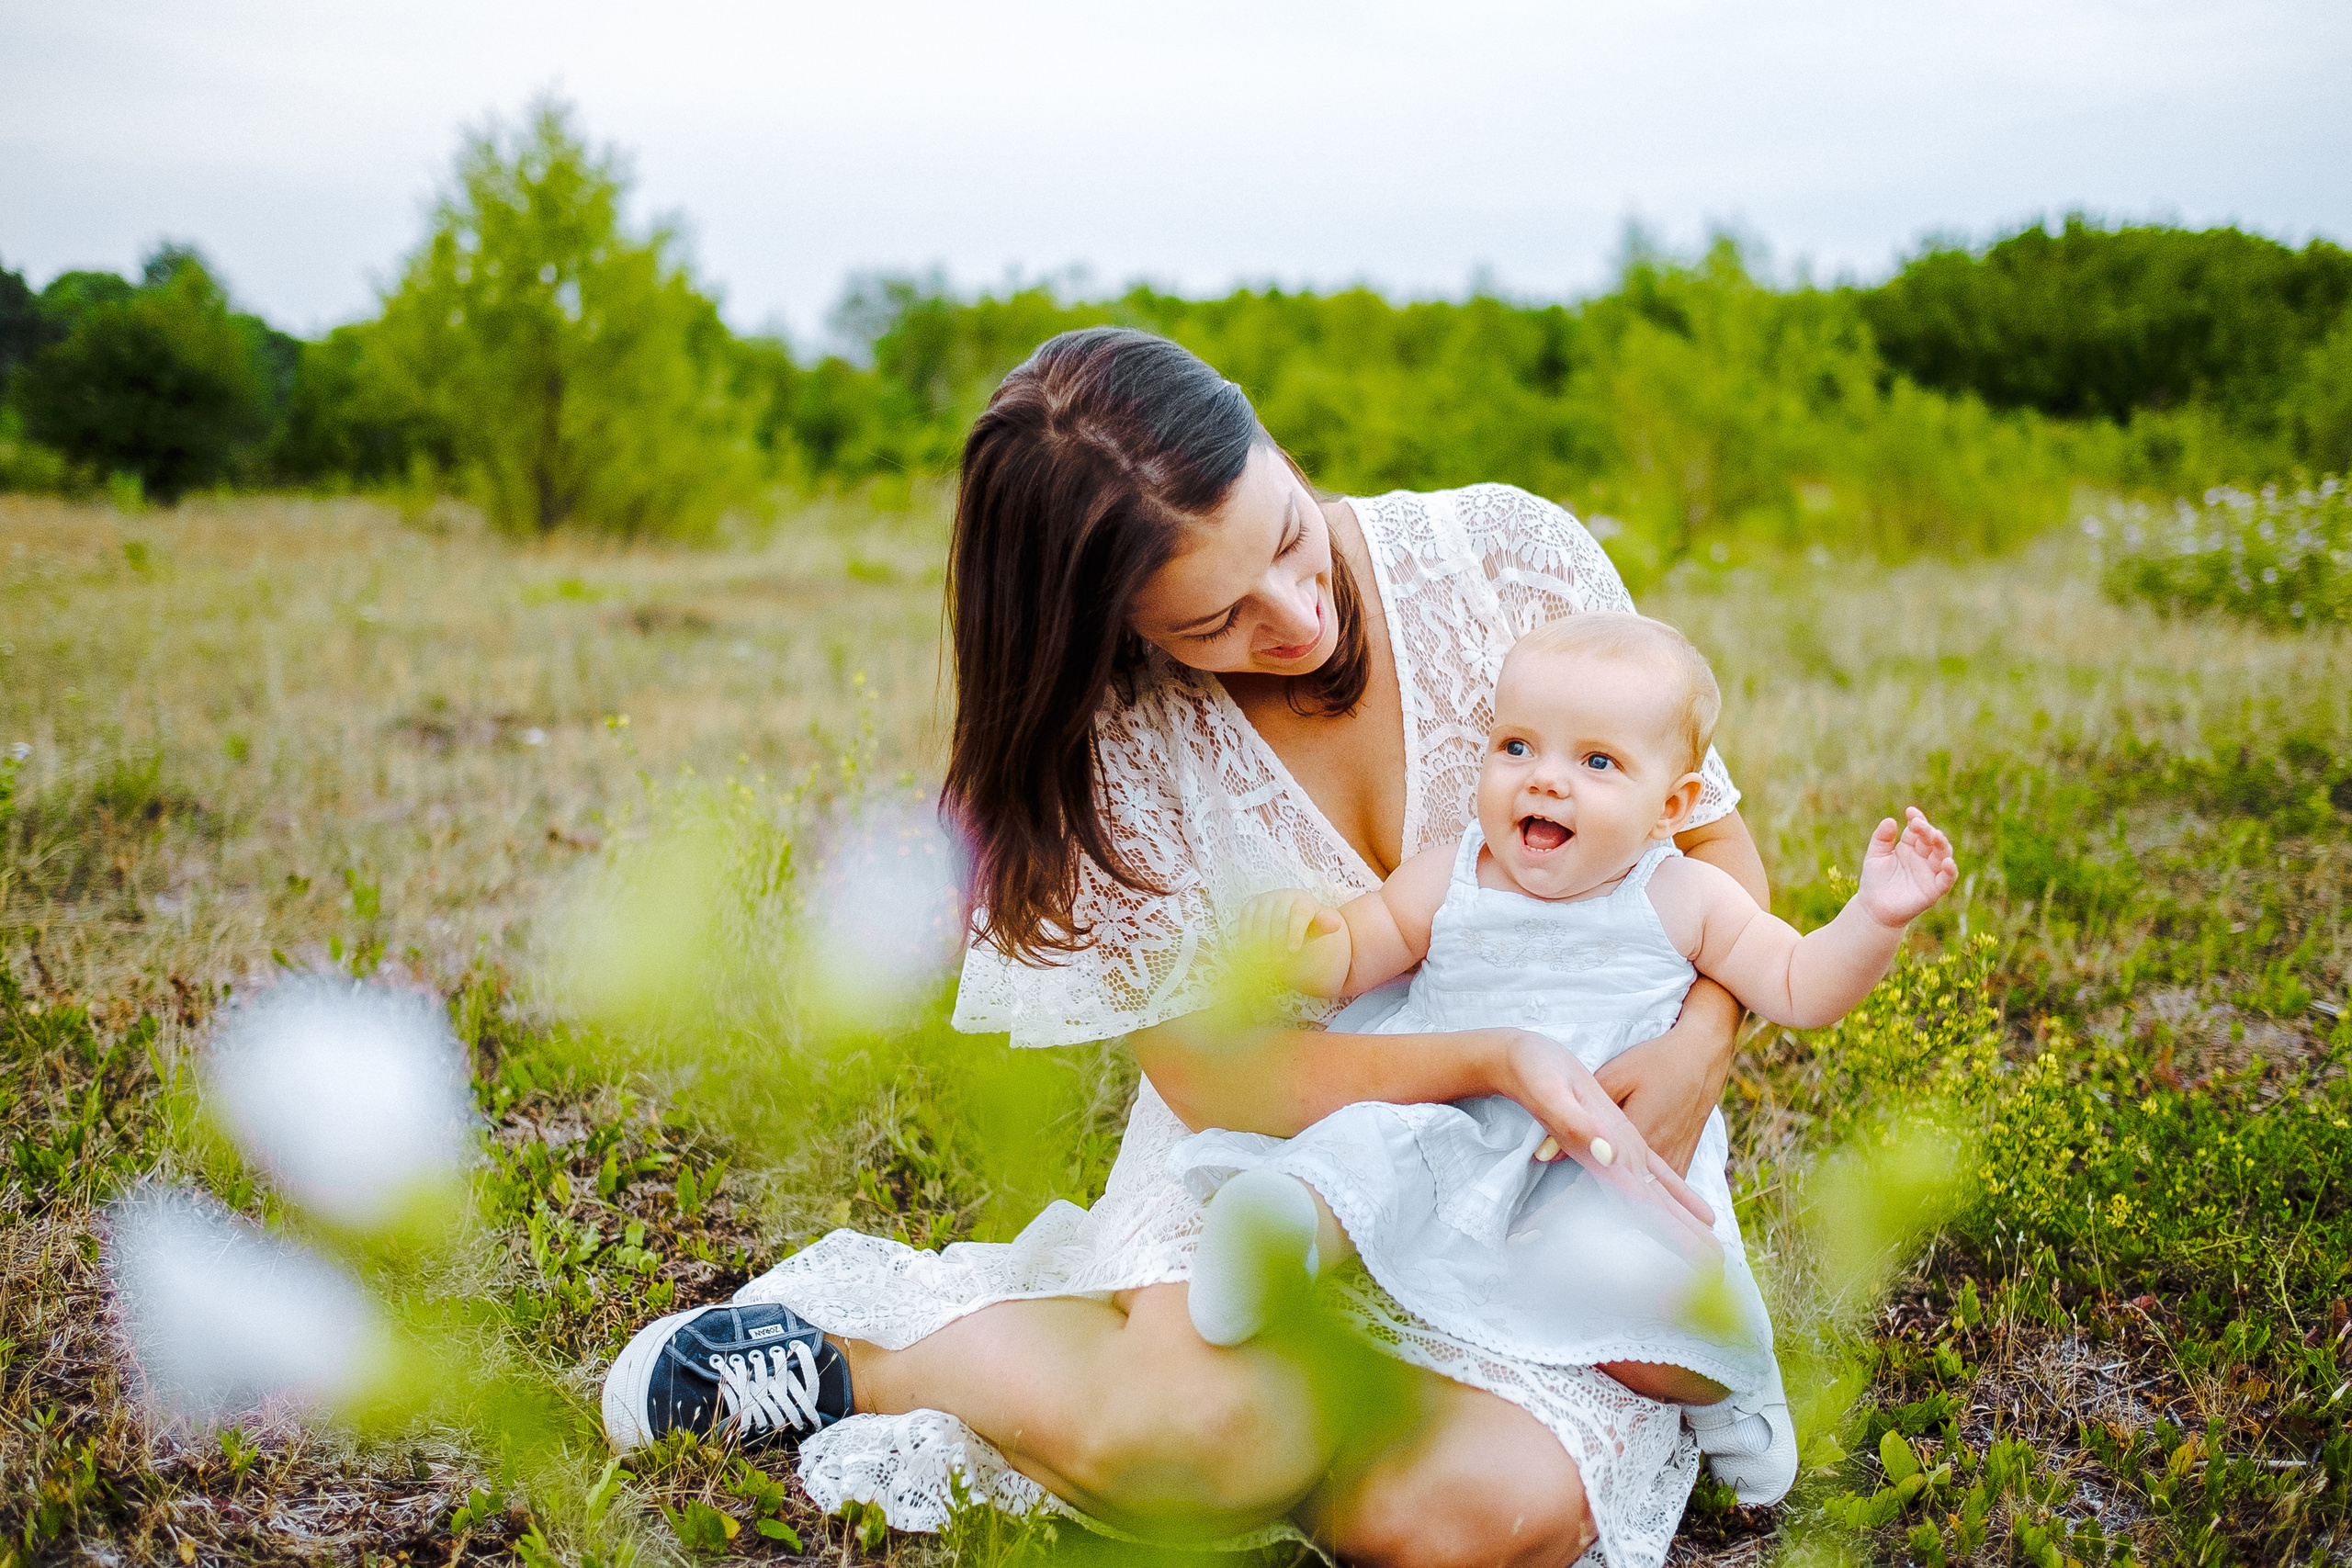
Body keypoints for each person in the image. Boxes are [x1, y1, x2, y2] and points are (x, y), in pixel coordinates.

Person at [603, 326, 1777, 1568]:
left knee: (1447, 1524)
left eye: (1286, 534)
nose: (1295, 613)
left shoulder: (1507, 558)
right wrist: (1493, 1056)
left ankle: (1249, 1407)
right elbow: (1223, 1078)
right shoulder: (1111, 747)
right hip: (1264, 1161)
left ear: (1267, 435)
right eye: (1216, 619)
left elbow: (1708, 850)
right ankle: (874, 1355)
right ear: (1117, 629)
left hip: (1551, 1164)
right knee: (1204, 1445)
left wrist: (1701, 1043)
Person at [1176, 611, 1960, 1507]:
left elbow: (1797, 984)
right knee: (1359, 1159)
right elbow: (1354, 953)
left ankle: (1723, 1387)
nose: (1545, 778)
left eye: (1596, 762)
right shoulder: (1451, 875)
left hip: (1600, 1162)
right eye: (1517, 746)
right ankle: (1278, 1230)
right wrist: (1300, 937)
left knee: (1637, 1296)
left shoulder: (1685, 897)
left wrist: (1874, 918)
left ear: (1672, 807)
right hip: (1444, 1117)